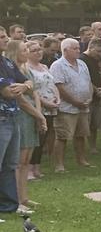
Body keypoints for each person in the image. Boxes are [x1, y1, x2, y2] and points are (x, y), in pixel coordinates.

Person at [49, 38, 94, 172]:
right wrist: (75, 102)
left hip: (83, 106)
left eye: (78, 48)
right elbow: (59, 87)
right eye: (75, 48)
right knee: (62, 136)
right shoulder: (57, 65)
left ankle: (81, 160)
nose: (78, 50)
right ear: (65, 50)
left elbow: (88, 82)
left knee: (81, 135)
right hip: (67, 107)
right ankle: (59, 165)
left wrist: (89, 97)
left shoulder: (82, 64)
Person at [9, 41, 44, 211]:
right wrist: (38, 115)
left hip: (32, 115)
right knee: (18, 160)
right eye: (24, 49)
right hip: (21, 115)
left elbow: (34, 91)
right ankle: (15, 198)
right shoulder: (10, 70)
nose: (27, 51)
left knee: (26, 160)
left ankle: (24, 197)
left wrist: (38, 114)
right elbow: (20, 99)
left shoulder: (25, 69)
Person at [25, 42, 57, 181]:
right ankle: (29, 169)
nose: (38, 52)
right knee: (35, 138)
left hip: (50, 107)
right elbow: (33, 91)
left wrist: (57, 99)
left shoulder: (44, 67)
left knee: (43, 137)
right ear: (27, 53)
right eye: (34, 50)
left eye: (39, 49)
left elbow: (52, 84)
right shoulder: (26, 68)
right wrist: (46, 103)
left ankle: (37, 167)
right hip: (38, 106)